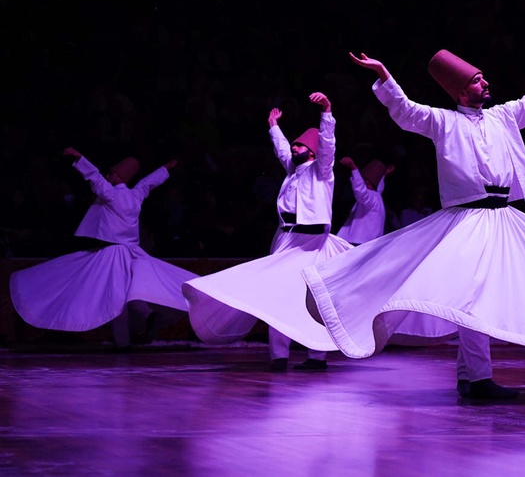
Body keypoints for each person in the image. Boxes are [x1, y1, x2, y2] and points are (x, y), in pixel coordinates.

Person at [301, 49, 525, 400]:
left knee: (504, 287)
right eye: (476, 80)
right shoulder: (443, 122)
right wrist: (384, 75)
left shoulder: (503, 116)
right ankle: (478, 378)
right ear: (460, 91)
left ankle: (471, 377)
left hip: (501, 217)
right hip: (467, 219)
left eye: (482, 77)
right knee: (473, 297)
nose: (484, 83)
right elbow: (406, 111)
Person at [182, 92, 353, 372]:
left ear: (311, 151)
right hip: (287, 238)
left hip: (313, 243)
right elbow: (282, 149)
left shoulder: (321, 171)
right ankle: (279, 356)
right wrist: (274, 126)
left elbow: (328, 147)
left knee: (315, 299)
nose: (294, 149)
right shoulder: (292, 170)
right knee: (277, 294)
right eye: (294, 145)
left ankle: (317, 356)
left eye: (299, 146)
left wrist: (326, 112)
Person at [10, 148, 195, 347]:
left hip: (113, 253)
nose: (108, 176)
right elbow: (149, 183)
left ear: (118, 176)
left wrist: (79, 158)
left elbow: (95, 178)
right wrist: (165, 169)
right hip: (131, 253)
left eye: (112, 173)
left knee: (115, 297)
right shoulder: (135, 196)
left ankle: (123, 341)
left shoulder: (113, 195)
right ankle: (147, 318)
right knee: (129, 292)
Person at [335, 157, 393, 246]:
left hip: (359, 242)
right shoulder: (377, 196)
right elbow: (379, 186)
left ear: (367, 183)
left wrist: (354, 168)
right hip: (369, 243)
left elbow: (360, 191)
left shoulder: (371, 197)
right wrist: (383, 175)